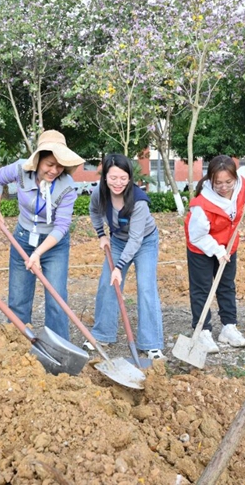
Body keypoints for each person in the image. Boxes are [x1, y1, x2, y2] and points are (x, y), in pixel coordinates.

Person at [0, 130, 84, 340]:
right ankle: (18, 344)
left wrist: (38, 253)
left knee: (57, 299)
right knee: (18, 299)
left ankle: (58, 348)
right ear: (38, 159)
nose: (54, 170)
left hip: (53, 246)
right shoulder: (20, 169)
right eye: (49, 164)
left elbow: (61, 226)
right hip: (22, 239)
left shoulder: (67, 187)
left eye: (60, 166)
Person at [87, 154, 165, 360]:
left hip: (144, 241)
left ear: (130, 177)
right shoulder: (99, 193)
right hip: (118, 241)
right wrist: (101, 235)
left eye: (123, 178)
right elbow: (93, 211)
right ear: (105, 177)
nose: (118, 183)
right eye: (113, 178)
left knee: (146, 287)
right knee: (108, 284)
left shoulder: (139, 201)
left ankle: (151, 343)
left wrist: (119, 267)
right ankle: (102, 334)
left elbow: (136, 239)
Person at [184, 155, 245, 353]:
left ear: (234, 178)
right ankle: (202, 331)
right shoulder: (202, 205)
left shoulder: (242, 181)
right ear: (211, 180)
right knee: (202, 288)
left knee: (226, 285)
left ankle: (228, 327)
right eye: (218, 183)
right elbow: (197, 235)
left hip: (228, 242)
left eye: (228, 182)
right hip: (201, 245)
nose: (224, 187)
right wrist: (217, 251)